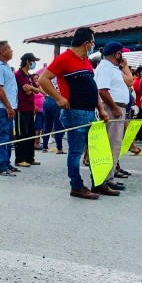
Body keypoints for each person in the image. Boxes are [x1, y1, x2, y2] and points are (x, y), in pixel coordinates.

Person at [38, 26, 114, 199]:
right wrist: (58, 98)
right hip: (75, 112)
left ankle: (99, 183)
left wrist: (101, 109)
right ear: (86, 43)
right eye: (92, 42)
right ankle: (77, 186)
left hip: (90, 112)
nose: (93, 46)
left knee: (95, 150)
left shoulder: (85, 61)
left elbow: (92, 88)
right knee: (76, 151)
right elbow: (43, 79)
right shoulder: (64, 58)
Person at [94, 41, 132, 191]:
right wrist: (115, 108)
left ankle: (109, 178)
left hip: (116, 107)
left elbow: (129, 81)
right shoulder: (105, 68)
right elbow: (102, 90)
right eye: (121, 53)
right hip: (112, 107)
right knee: (112, 145)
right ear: (117, 54)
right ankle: (105, 179)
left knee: (114, 145)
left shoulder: (112, 68)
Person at [0, 40, 19, 176]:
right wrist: (8, 106)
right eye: (9, 48)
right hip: (2, 108)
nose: (12, 50)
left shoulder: (6, 67)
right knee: (2, 136)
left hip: (8, 108)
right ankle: (0, 166)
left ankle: (6, 163)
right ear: (3, 51)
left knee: (8, 137)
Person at [13, 53, 42, 168]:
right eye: (32, 61)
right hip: (21, 108)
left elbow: (35, 90)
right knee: (22, 134)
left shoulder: (29, 76)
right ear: (27, 61)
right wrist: (31, 89)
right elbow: (26, 90)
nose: (33, 64)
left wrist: (32, 88)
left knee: (30, 133)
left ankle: (30, 158)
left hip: (30, 108)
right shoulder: (18, 75)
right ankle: (20, 159)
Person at [41, 74, 65, 153]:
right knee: (58, 125)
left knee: (47, 125)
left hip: (47, 99)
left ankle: (44, 147)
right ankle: (59, 148)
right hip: (57, 99)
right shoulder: (62, 75)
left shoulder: (48, 76)